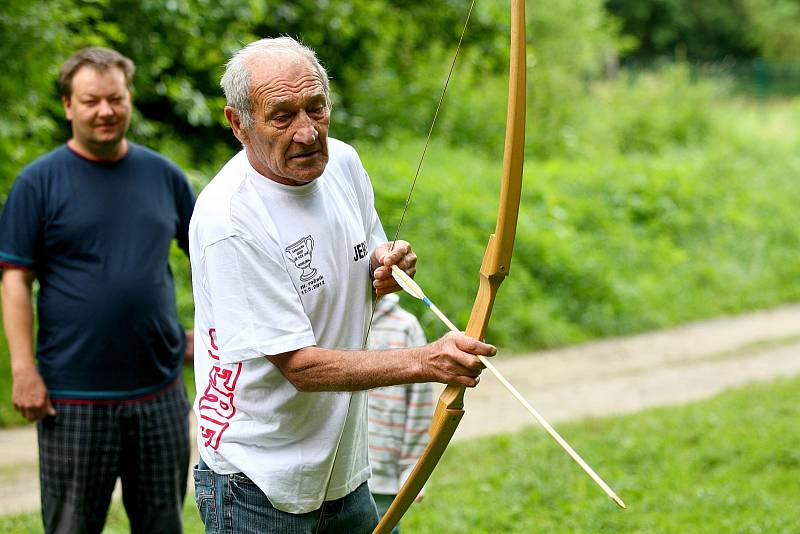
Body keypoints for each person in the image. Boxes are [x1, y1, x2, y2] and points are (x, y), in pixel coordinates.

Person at [190, 36, 495, 533]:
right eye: (283, 116)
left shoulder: (344, 165)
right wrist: (424, 361)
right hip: (258, 482)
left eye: (316, 108)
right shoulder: (230, 220)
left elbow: (369, 255)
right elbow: (300, 366)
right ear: (238, 124)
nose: (308, 133)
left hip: (342, 468)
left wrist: (386, 266)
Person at [0, 47, 195, 533]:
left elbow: (214, 261)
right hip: (72, 397)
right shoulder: (37, 183)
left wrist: (208, 333)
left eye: (116, 98)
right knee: (70, 526)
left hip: (160, 392)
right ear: (68, 105)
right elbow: (15, 281)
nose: (105, 111)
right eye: (91, 101)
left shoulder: (164, 177)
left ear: (130, 99)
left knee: (163, 524)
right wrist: (23, 369)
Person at [366, 294, 434, 534]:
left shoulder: (406, 327)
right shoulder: (335, 321)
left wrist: (412, 468)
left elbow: (420, 403)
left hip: (382, 476)